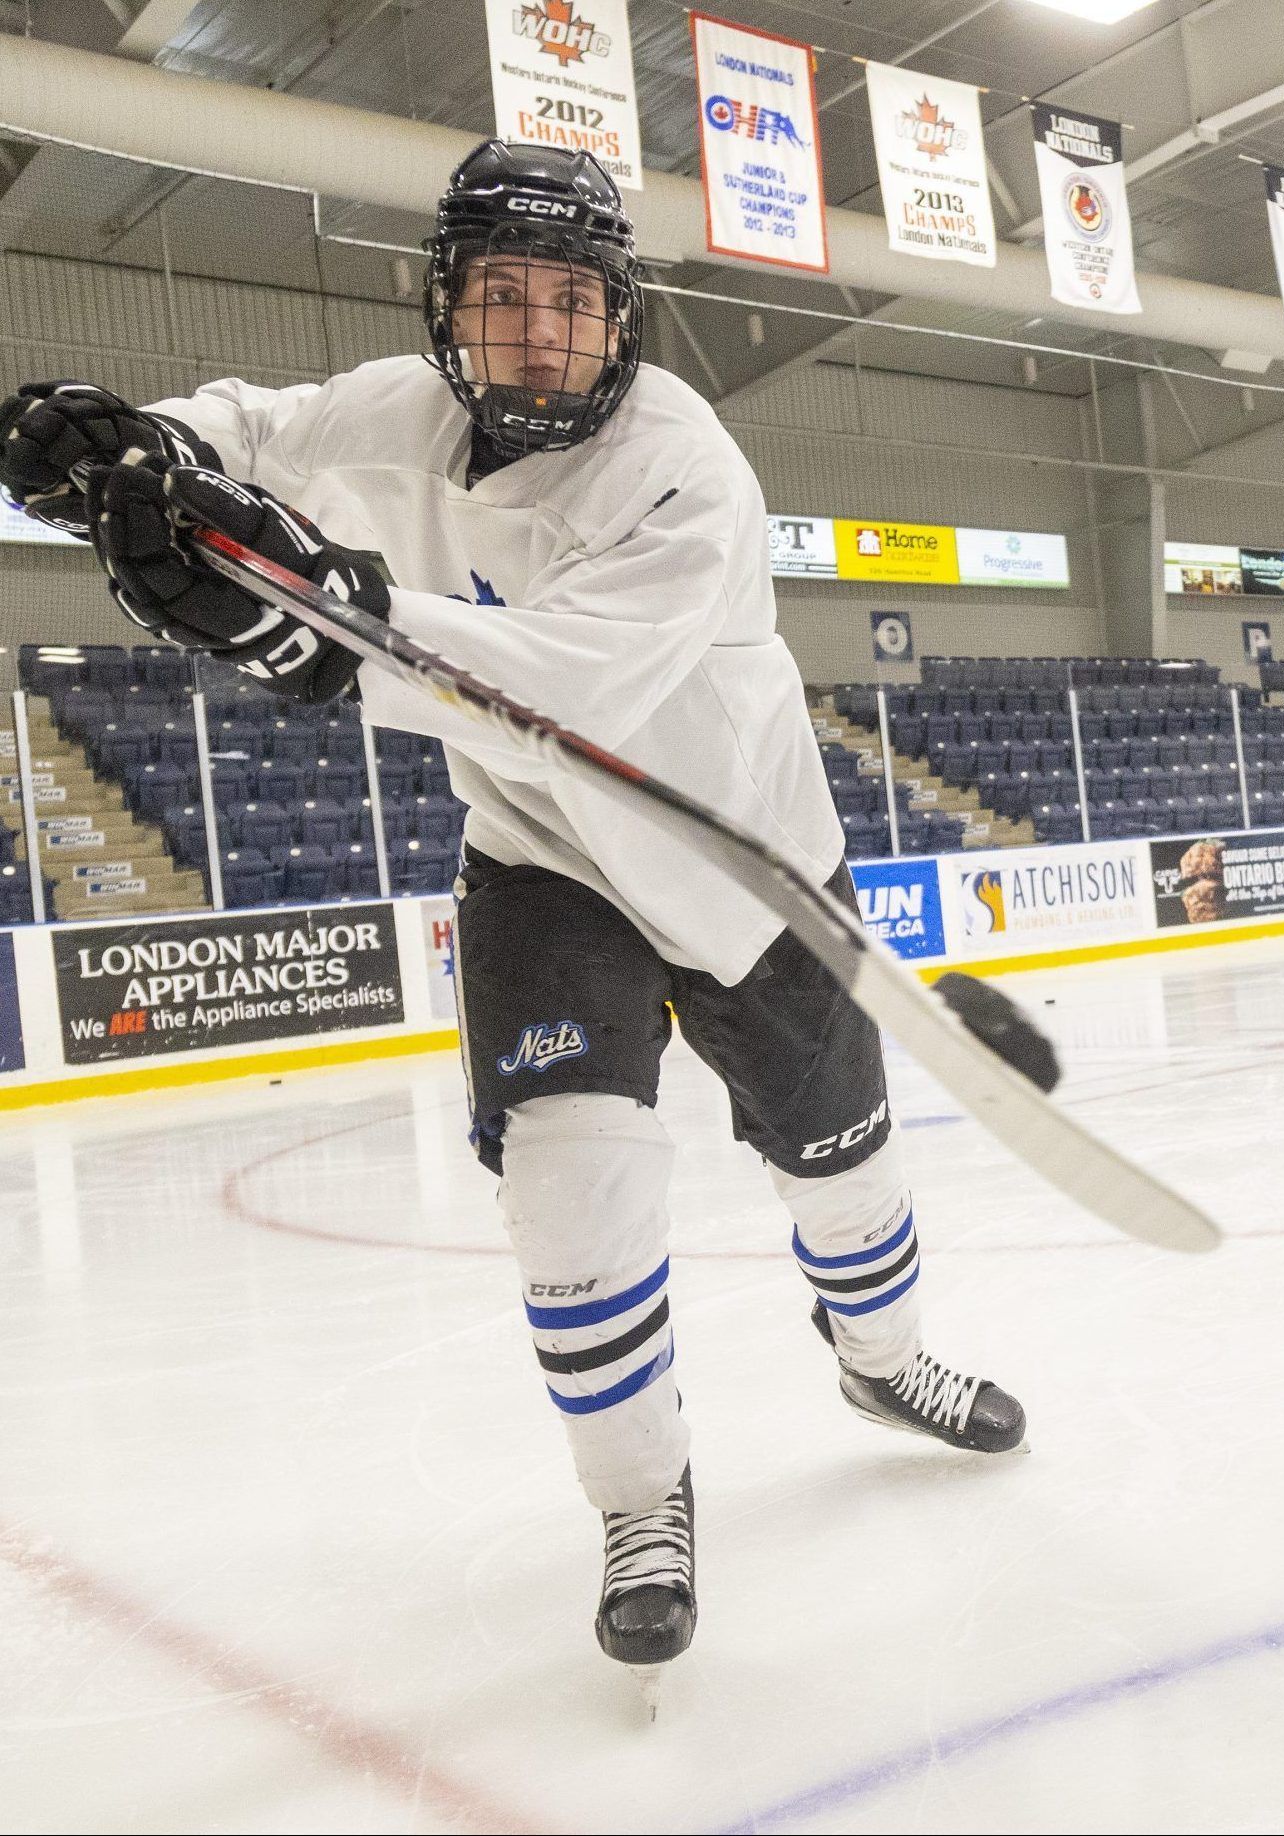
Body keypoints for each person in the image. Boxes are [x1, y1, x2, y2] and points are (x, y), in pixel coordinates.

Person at [0, 139, 1028, 1689]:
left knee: (841, 1171)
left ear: (621, 315)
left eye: (570, 300)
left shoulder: (688, 471)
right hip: (545, 861)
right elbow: (256, 436)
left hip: (741, 865)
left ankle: (883, 1367)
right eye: (502, 296)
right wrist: (137, 449)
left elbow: (567, 691)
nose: (538, 332)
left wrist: (322, 613)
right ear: (447, 307)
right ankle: (641, 1506)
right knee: (568, 1188)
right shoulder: (395, 414)